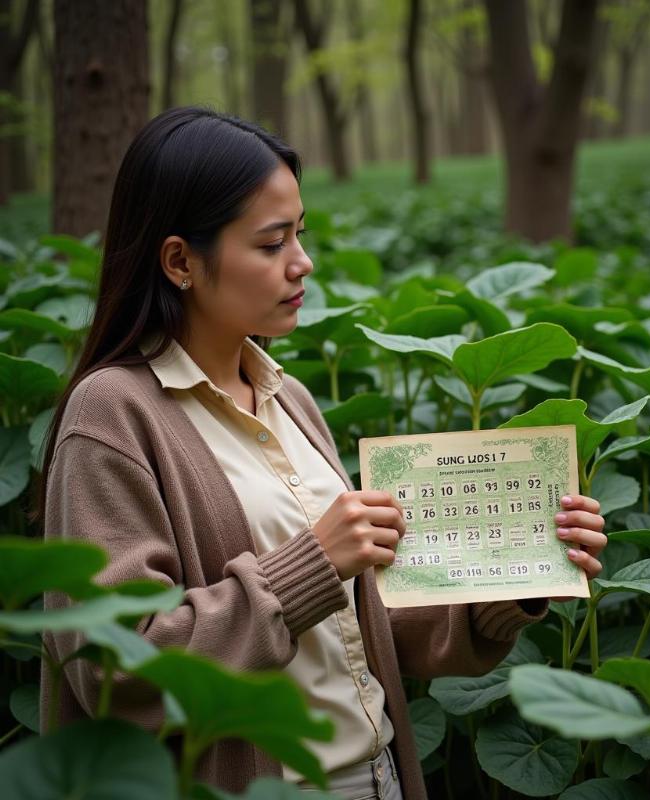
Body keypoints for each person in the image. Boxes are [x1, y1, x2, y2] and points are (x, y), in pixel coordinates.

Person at [38, 107, 607, 800]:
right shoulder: (113, 414)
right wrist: (311, 564)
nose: (302, 263)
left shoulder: (290, 397)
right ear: (181, 260)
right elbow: (111, 668)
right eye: (272, 243)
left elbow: (361, 627)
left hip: (379, 775)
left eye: (299, 235)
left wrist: (520, 573)